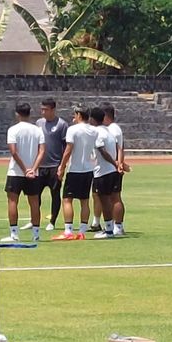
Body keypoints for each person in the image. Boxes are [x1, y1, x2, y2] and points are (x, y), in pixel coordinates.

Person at [52, 106, 98, 241]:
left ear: (78, 115)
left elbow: (68, 149)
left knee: (67, 199)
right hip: (88, 169)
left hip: (75, 169)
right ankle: (82, 231)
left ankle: (68, 231)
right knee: (84, 201)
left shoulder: (72, 129)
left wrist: (62, 166)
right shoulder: (94, 130)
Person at [1, 102, 45, 242]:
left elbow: (13, 151)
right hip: (33, 172)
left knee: (13, 201)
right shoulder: (37, 130)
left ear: (17, 114)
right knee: (34, 202)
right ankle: (36, 234)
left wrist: (25, 169)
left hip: (16, 171)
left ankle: (14, 234)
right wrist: (33, 168)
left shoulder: (13, 129)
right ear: (29, 113)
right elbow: (42, 151)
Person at [27, 98, 68, 232]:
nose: (43, 112)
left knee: (55, 194)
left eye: (45, 109)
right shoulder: (39, 123)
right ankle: (33, 220)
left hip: (54, 165)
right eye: (42, 109)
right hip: (40, 166)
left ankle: (52, 221)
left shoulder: (62, 125)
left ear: (53, 110)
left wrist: (62, 166)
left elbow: (65, 146)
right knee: (35, 194)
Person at [94, 102, 127, 235]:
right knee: (113, 198)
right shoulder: (112, 129)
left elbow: (119, 148)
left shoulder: (111, 129)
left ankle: (114, 227)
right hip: (113, 167)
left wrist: (118, 163)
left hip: (109, 168)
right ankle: (116, 226)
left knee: (111, 198)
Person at [89, 107, 122, 239]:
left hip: (103, 171)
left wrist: (114, 163)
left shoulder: (97, 132)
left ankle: (108, 230)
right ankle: (111, 227)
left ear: (92, 119)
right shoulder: (109, 131)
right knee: (110, 199)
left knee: (104, 201)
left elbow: (102, 151)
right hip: (111, 171)